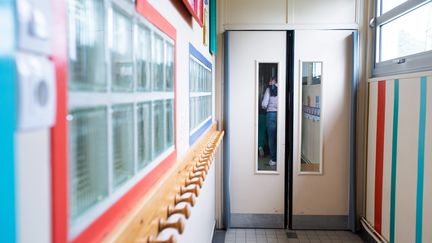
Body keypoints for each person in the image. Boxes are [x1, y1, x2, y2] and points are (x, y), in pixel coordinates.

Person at [261, 76, 278, 166]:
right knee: (281, 137)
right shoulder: (283, 88)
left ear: (273, 81)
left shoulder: (269, 90)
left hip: (271, 114)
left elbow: (264, 104)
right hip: (281, 114)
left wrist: (264, 106)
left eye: (271, 80)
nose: (269, 81)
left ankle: (274, 159)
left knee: (271, 138)